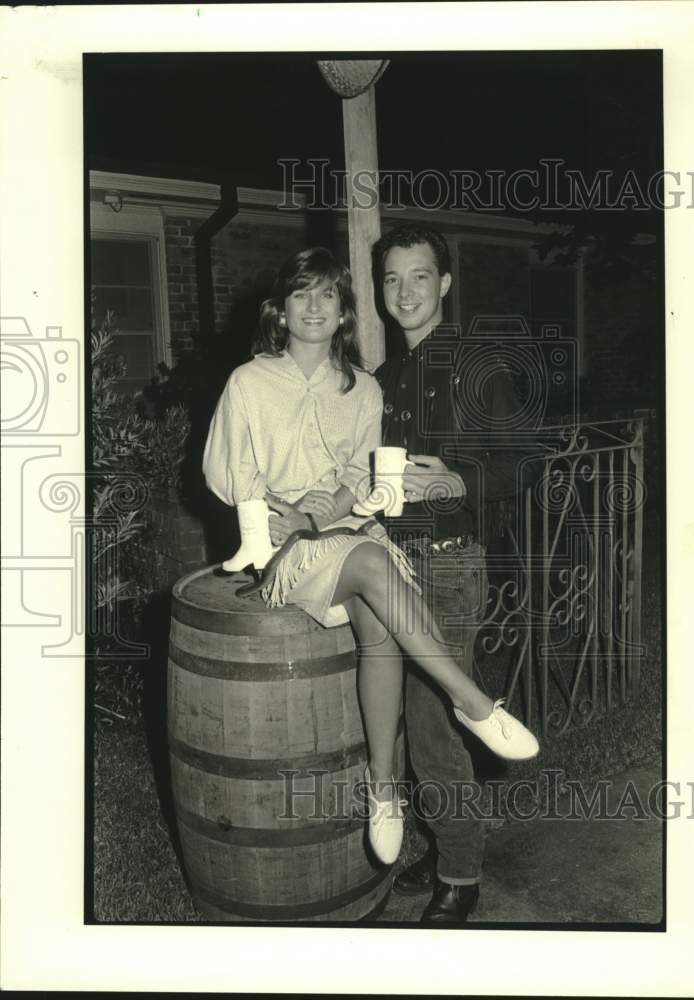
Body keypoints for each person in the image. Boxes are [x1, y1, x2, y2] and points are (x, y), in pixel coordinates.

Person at [202, 246, 538, 873]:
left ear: (344, 312)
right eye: (301, 293)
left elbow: (362, 477)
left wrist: (331, 506)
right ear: (281, 308)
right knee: (372, 564)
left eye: (327, 294)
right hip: (287, 547)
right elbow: (230, 474)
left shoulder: (364, 388)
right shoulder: (249, 381)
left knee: (380, 622)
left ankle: (383, 793)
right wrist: (281, 517)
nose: (313, 306)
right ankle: (472, 702)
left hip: (360, 537)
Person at [372, 223, 530, 922]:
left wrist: (460, 483)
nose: (404, 291)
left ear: (443, 283)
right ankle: (445, 846)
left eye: (418, 276)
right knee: (403, 722)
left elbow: (519, 465)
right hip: (392, 568)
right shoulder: (381, 379)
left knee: (434, 722)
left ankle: (460, 873)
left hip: (450, 566)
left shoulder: (477, 364)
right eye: (391, 279)